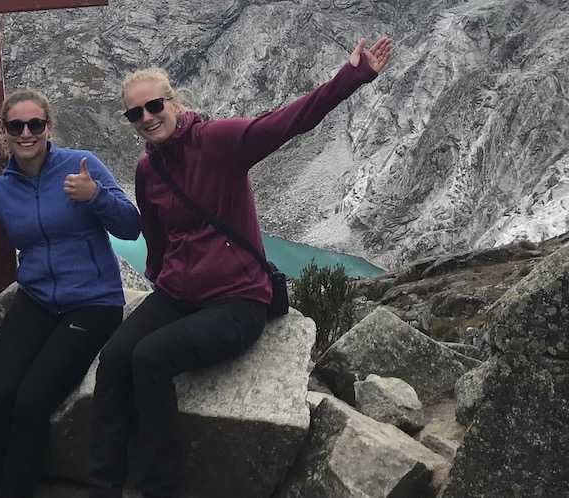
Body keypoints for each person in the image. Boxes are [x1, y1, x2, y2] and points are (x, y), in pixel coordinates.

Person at [88, 34, 394, 498]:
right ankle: (102, 484)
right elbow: (155, 232)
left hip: (238, 300)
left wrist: (351, 76)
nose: (147, 118)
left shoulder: (219, 140)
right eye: (135, 114)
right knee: (113, 358)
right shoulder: (149, 170)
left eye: (154, 106)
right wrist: (160, 274)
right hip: (179, 294)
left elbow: (290, 121)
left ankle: (159, 487)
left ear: (173, 102)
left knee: (149, 359)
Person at [0, 88, 140, 498]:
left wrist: (94, 197)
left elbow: (131, 226)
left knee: (31, 400)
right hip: (37, 299)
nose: (26, 133)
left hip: (94, 303)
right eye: (16, 126)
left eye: (35, 124)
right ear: (4, 132)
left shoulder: (81, 166)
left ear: (48, 127)